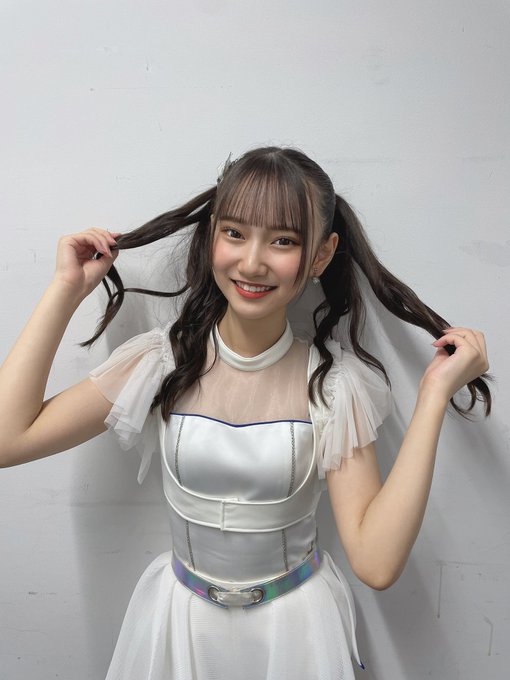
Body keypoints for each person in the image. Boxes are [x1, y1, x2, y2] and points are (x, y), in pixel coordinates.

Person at [0, 146, 491, 680]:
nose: (252, 262)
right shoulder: (161, 362)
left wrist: (433, 397)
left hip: (295, 635)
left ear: (322, 256)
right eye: (235, 232)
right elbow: (8, 440)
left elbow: (376, 562)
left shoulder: (334, 386)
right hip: (179, 627)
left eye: (283, 241)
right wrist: (65, 289)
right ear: (212, 234)